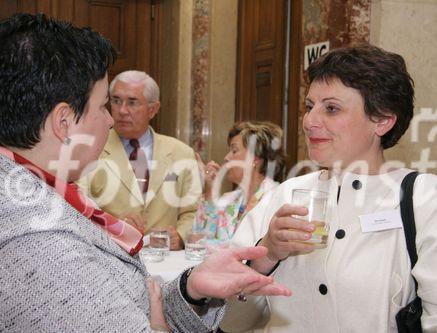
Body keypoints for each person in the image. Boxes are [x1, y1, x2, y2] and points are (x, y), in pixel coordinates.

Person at [0, 13, 290, 332]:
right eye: (103, 106)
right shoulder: (44, 243)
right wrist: (158, 325)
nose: (112, 119)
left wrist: (189, 289)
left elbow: (123, 302)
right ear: (64, 121)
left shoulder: (33, 190)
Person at [221, 45, 437, 332]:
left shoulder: (423, 198)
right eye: (308, 107)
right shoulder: (281, 196)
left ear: (382, 120)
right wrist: (266, 255)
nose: (309, 121)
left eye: (331, 108)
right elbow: (227, 322)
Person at [78, 70, 199, 250]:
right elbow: (77, 207)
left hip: (166, 262)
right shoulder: (89, 148)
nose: (122, 110)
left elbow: (193, 212)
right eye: (116, 101)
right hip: (111, 258)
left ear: (153, 109)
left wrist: (180, 236)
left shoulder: (181, 153)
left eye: (132, 102)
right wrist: (112, 227)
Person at [195, 121, 285, 248]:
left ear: (255, 158)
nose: (226, 157)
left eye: (234, 150)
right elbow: (200, 238)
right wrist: (211, 187)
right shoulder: (231, 199)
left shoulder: (276, 197)